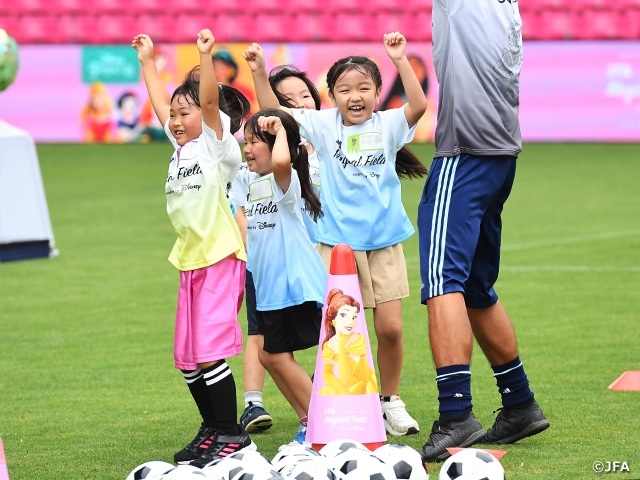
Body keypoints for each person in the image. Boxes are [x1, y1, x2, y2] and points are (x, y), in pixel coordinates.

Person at [244, 32, 429, 437]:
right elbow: (274, 110)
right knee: (339, 333)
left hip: (384, 243)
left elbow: (418, 104)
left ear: (379, 93)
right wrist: (258, 71)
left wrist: (399, 60)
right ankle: (345, 404)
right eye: (344, 89)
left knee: (391, 329)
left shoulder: (389, 125)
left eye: (364, 87)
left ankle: (390, 401)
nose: (354, 96)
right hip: (337, 248)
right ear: (332, 95)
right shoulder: (324, 126)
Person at [417, 1, 549, 463]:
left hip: (465, 151)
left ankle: (456, 414)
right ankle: (519, 403)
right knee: (475, 287)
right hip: (500, 152)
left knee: (442, 281)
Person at [131, 30, 255, 468]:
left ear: (212, 117)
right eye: (176, 116)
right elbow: (163, 104)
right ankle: (212, 428)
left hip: (221, 257)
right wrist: (148, 62)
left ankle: (231, 434)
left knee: (208, 350)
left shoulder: (216, 147)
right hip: (190, 260)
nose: (178, 120)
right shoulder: (182, 147)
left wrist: (204, 57)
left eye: (188, 113)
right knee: (187, 358)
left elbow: (203, 105)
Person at [232, 108, 327, 447]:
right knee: (269, 355)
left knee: (277, 355)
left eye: (255, 142)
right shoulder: (247, 179)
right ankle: (310, 421)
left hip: (295, 284)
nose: (246, 148)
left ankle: (323, 422)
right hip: (268, 286)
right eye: (246, 141)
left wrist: (282, 134)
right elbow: (240, 215)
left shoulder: (285, 180)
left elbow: (283, 163)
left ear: (275, 147)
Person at [318, 288, 378, 396]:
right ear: (332, 319)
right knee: (328, 391)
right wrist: (342, 390)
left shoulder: (356, 340)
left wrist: (341, 347)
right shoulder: (329, 344)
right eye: (343, 315)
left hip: (364, 385)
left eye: (354, 317)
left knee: (345, 391)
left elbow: (346, 378)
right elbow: (327, 374)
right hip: (347, 386)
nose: (350, 322)